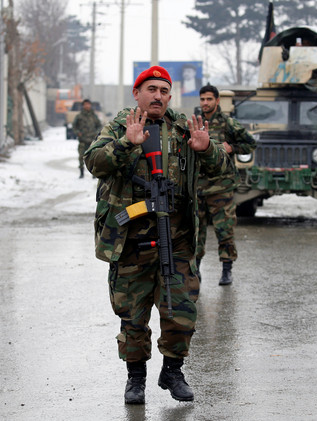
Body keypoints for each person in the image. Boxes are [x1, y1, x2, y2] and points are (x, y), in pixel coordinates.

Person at [84, 66, 231, 404]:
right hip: (130, 241)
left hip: (176, 239)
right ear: (137, 94)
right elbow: (93, 162)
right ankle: (135, 379)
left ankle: (173, 371)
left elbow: (223, 168)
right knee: (133, 318)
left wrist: (207, 149)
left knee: (180, 311)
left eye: (164, 91)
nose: (158, 96)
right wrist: (125, 144)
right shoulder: (120, 126)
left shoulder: (183, 128)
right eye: (151, 89)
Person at [196, 84, 256, 285]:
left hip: (221, 187)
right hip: (198, 187)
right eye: (203, 99)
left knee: (224, 230)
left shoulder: (228, 123)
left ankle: (226, 269)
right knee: (195, 231)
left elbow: (250, 143)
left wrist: (232, 147)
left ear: (217, 100)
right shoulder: (195, 123)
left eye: (209, 99)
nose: (205, 103)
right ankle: (195, 269)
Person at [73, 99, 102, 178]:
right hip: (82, 140)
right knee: (81, 157)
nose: (87, 106)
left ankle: (93, 174)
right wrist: (78, 133)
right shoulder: (79, 116)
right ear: (83, 106)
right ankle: (81, 173)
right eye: (85, 104)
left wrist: (96, 133)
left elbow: (99, 125)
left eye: (88, 104)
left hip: (92, 140)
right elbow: (74, 126)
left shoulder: (94, 116)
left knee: (93, 158)